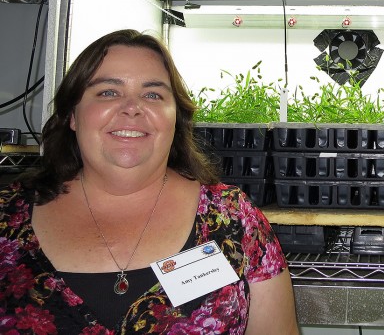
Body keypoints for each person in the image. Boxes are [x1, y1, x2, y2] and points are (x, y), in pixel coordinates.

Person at [0, 30, 299, 334]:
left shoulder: (235, 219)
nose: (132, 107)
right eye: (108, 92)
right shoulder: (7, 218)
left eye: (153, 94)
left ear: (175, 118)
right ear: (73, 115)